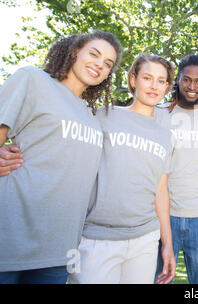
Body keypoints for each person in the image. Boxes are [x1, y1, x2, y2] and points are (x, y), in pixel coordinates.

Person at [0, 30, 122, 284]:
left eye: (108, 64)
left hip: (59, 249)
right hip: (10, 236)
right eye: (94, 54)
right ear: (75, 51)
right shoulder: (32, 79)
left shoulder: (92, 115)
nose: (100, 64)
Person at [68, 54, 176, 284]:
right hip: (96, 237)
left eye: (161, 81)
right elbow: (69, 153)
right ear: (133, 79)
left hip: (145, 239)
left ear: (167, 87)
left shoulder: (166, 136)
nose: (154, 86)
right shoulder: (104, 115)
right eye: (147, 78)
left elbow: (161, 190)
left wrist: (167, 244)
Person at [154, 54, 198, 284]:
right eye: (187, 79)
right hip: (163, 217)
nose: (192, 86)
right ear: (177, 79)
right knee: (157, 280)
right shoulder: (159, 113)